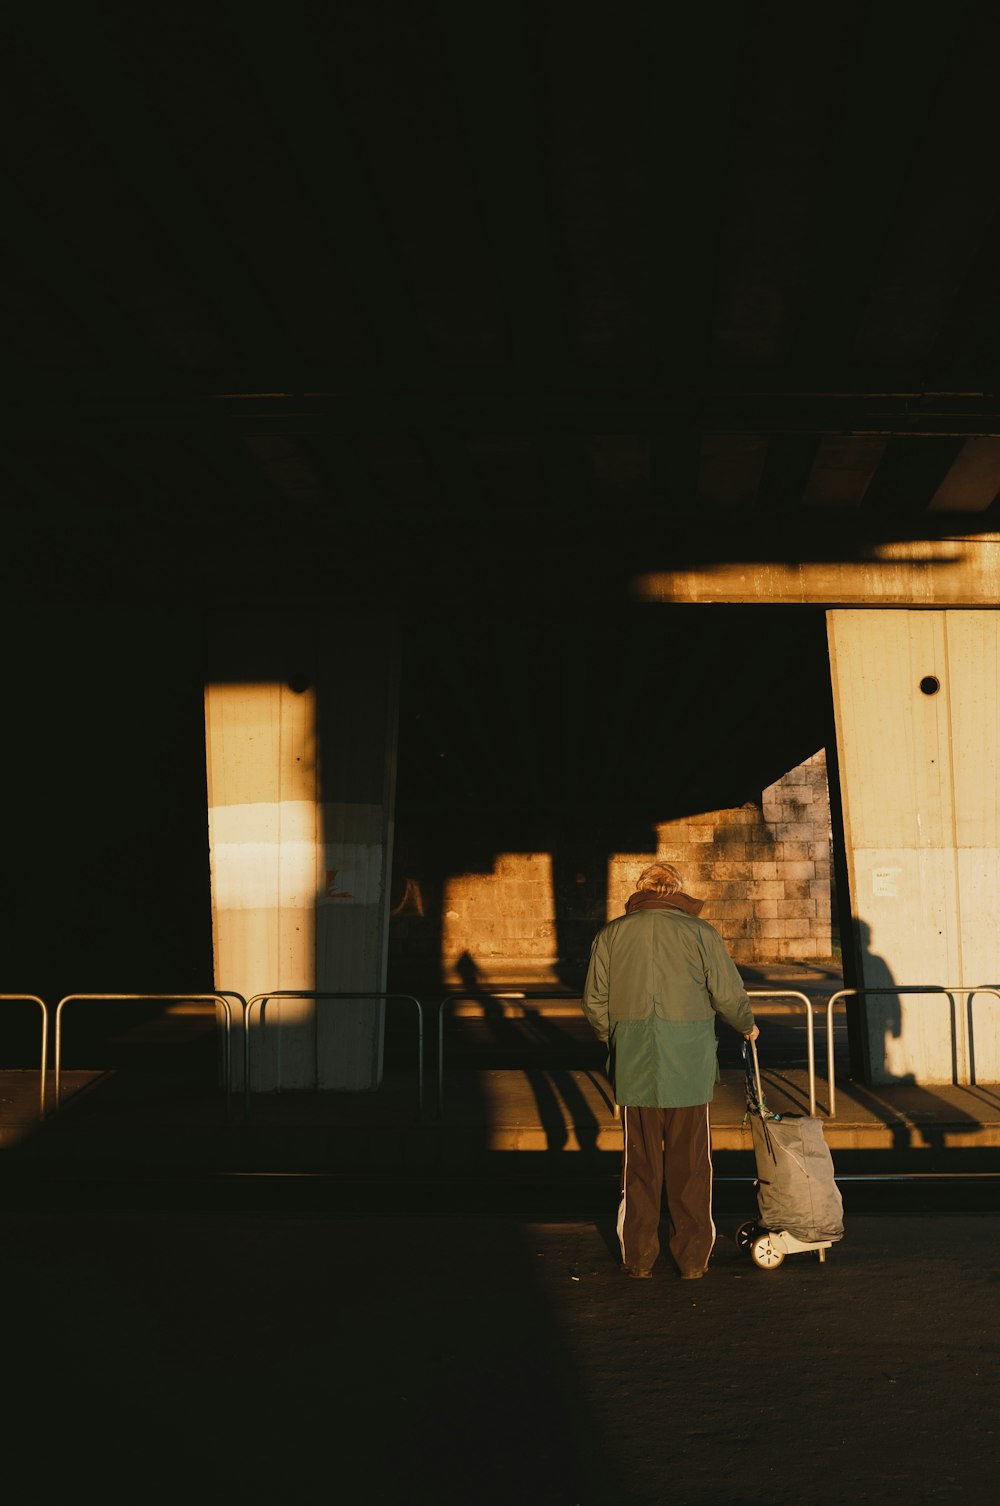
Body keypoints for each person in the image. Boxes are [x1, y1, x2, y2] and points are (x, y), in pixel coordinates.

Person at [581, 860, 759, 1280]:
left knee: (639, 1166)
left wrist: (617, 1040)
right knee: (691, 1166)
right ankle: (692, 1258)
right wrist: (747, 1024)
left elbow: (594, 1004)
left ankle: (639, 1258)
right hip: (689, 1067)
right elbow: (727, 992)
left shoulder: (611, 935)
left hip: (635, 1065)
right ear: (677, 892)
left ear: (641, 892)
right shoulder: (700, 933)